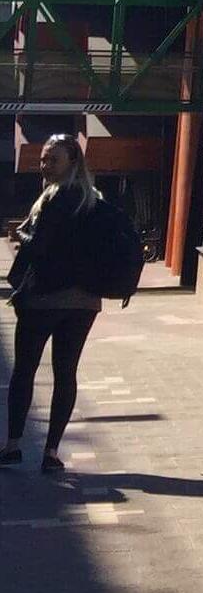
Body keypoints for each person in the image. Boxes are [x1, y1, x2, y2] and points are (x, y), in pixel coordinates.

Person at [4, 133, 103, 474]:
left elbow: (42, 247)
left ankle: (13, 445)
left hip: (44, 299)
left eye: (53, 159)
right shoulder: (93, 199)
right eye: (43, 159)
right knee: (66, 374)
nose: (45, 165)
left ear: (72, 162)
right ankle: (51, 452)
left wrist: (19, 235)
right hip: (84, 302)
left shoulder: (56, 197)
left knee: (24, 371)